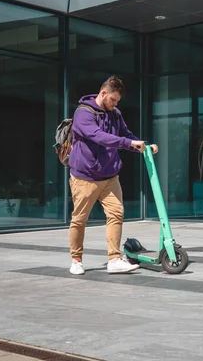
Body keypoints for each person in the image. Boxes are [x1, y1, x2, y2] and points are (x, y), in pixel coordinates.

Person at [67, 76, 158, 275]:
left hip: (109, 176)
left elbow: (126, 135)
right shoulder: (83, 113)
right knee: (80, 219)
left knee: (116, 214)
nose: (116, 104)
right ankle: (76, 260)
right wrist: (128, 144)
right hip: (85, 176)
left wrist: (144, 146)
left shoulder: (115, 113)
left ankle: (114, 259)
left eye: (117, 101)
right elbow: (98, 136)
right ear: (103, 93)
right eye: (113, 100)